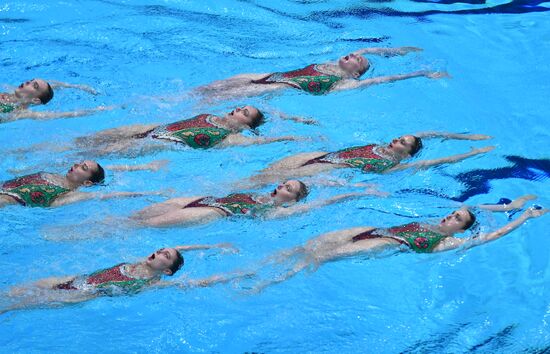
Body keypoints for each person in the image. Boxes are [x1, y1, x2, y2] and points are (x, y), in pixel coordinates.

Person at [245, 195, 548, 291]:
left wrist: (524, 218)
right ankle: (240, 273)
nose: (448, 217)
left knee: (320, 257)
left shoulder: (447, 244)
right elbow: (475, 206)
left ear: (460, 230)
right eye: (451, 214)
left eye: (455, 219)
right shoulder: (435, 223)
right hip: (370, 230)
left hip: (382, 244)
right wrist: (512, 205)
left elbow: (492, 235)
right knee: (304, 246)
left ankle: (264, 284)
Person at [1, 243, 239, 314]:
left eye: (164, 256)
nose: (157, 253)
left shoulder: (153, 283)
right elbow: (178, 246)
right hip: (76, 278)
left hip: (82, 294)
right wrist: (211, 246)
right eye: (159, 250)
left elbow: (193, 284)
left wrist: (231, 276)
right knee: (16, 290)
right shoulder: (136, 262)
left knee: (19, 304)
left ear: (166, 271)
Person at [19, 106, 303, 157]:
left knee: (94, 152)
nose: (238, 109)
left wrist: (289, 136)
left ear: (246, 125)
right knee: (83, 140)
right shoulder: (211, 115)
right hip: (149, 130)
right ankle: (28, 150)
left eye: (245, 113)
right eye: (241, 106)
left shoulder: (231, 138)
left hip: (154, 145)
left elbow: (255, 144)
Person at [241, 131, 494, 188]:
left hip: (325, 171)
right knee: (260, 174)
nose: (396, 141)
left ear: (407, 154)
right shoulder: (377, 145)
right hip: (318, 157)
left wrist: (472, 153)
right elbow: (425, 134)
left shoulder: (392, 165)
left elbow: (432, 162)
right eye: (398, 138)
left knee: (264, 182)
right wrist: (457, 135)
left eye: (403, 143)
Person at [194, 46, 447, 101]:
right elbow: (365, 48)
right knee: (206, 88)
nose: (355, 55)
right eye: (354, 55)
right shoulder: (330, 63)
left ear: (356, 73)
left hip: (272, 87)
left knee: (212, 99)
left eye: (359, 60)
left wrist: (421, 73)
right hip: (265, 74)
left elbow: (383, 79)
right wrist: (394, 51)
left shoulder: (343, 83)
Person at [131, 179, 383, 227]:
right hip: (202, 200)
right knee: (131, 218)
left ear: (293, 200)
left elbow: (315, 206)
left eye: (289, 188)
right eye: (284, 183)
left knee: (140, 226)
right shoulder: (256, 193)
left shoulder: (276, 212)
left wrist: (354, 193)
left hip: (211, 213)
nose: (281, 186)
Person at [0, 159, 166, 208]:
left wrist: (150, 194)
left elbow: (106, 195)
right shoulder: (55, 172)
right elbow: (110, 167)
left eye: (83, 167)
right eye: (79, 163)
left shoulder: (68, 194)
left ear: (87, 182)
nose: (75, 165)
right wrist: (144, 166)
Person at [0, 78, 110, 123]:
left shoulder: (19, 112)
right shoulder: (9, 90)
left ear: (35, 100)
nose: (27, 82)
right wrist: (76, 86)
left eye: (35, 86)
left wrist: (98, 110)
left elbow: (62, 115)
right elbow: (54, 84)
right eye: (30, 81)